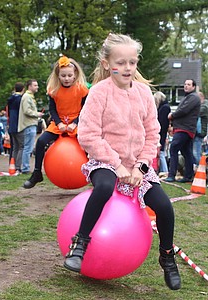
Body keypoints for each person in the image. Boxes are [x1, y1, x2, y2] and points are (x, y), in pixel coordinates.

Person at [63, 33, 181, 290]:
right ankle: (80, 243)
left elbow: (153, 135)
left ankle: (168, 257)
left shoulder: (143, 94)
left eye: (133, 62)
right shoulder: (99, 94)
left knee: (164, 207)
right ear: (107, 64)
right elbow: (88, 135)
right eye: (122, 62)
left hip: (138, 166)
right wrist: (116, 165)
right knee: (104, 187)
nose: (128, 68)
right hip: (105, 161)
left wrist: (140, 167)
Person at [23, 56, 88, 189]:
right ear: (58, 75)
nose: (67, 78)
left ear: (75, 75)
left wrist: (75, 123)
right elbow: (52, 109)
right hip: (59, 124)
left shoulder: (81, 90)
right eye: (63, 75)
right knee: (40, 142)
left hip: (77, 123)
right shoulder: (54, 90)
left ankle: (93, 174)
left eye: (70, 75)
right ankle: (37, 173)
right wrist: (59, 123)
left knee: (89, 145)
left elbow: (86, 109)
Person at [164, 79, 201, 183]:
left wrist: (172, 115)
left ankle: (172, 175)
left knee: (174, 148)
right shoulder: (189, 97)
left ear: (193, 87)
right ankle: (188, 176)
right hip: (185, 128)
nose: (186, 86)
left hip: (184, 129)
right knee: (186, 152)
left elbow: (184, 110)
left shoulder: (193, 97)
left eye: (188, 84)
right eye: (185, 84)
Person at [18, 79, 43, 174]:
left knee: (28, 147)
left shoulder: (29, 97)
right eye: (35, 85)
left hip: (31, 124)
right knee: (28, 147)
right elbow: (27, 111)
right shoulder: (27, 97)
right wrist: (37, 114)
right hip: (29, 124)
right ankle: (25, 168)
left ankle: (25, 167)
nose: (37, 87)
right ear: (30, 86)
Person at [7, 82, 25, 173]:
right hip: (19, 125)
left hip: (11, 125)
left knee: (14, 147)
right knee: (22, 146)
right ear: (23, 89)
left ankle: (12, 165)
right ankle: (18, 166)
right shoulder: (21, 99)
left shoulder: (10, 99)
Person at [154, 91, 170, 175]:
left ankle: (165, 171)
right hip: (162, 133)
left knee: (161, 153)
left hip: (161, 134)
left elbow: (162, 123)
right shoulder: (165, 107)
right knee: (161, 152)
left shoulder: (164, 108)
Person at [193, 91, 208, 167]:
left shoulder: (204, 107)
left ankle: (200, 169)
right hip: (196, 132)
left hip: (199, 132)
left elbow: (195, 113)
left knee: (196, 152)